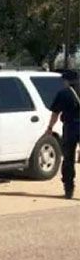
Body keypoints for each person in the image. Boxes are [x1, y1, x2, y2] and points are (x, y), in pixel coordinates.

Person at [45, 69, 80, 199]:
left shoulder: (63, 93)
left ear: (66, 81)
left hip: (70, 128)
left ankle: (69, 190)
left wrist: (50, 128)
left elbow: (55, 113)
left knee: (68, 159)